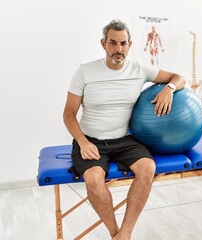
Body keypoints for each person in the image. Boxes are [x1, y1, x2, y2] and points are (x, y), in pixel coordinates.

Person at [63, 19, 186, 240]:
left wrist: (169, 88)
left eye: (123, 43)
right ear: (103, 44)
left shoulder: (139, 70)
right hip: (91, 140)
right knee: (93, 180)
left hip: (124, 139)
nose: (118, 49)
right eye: (113, 43)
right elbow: (69, 114)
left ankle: (125, 233)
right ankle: (115, 234)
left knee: (148, 168)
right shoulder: (85, 72)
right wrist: (82, 142)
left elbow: (180, 78)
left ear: (130, 44)